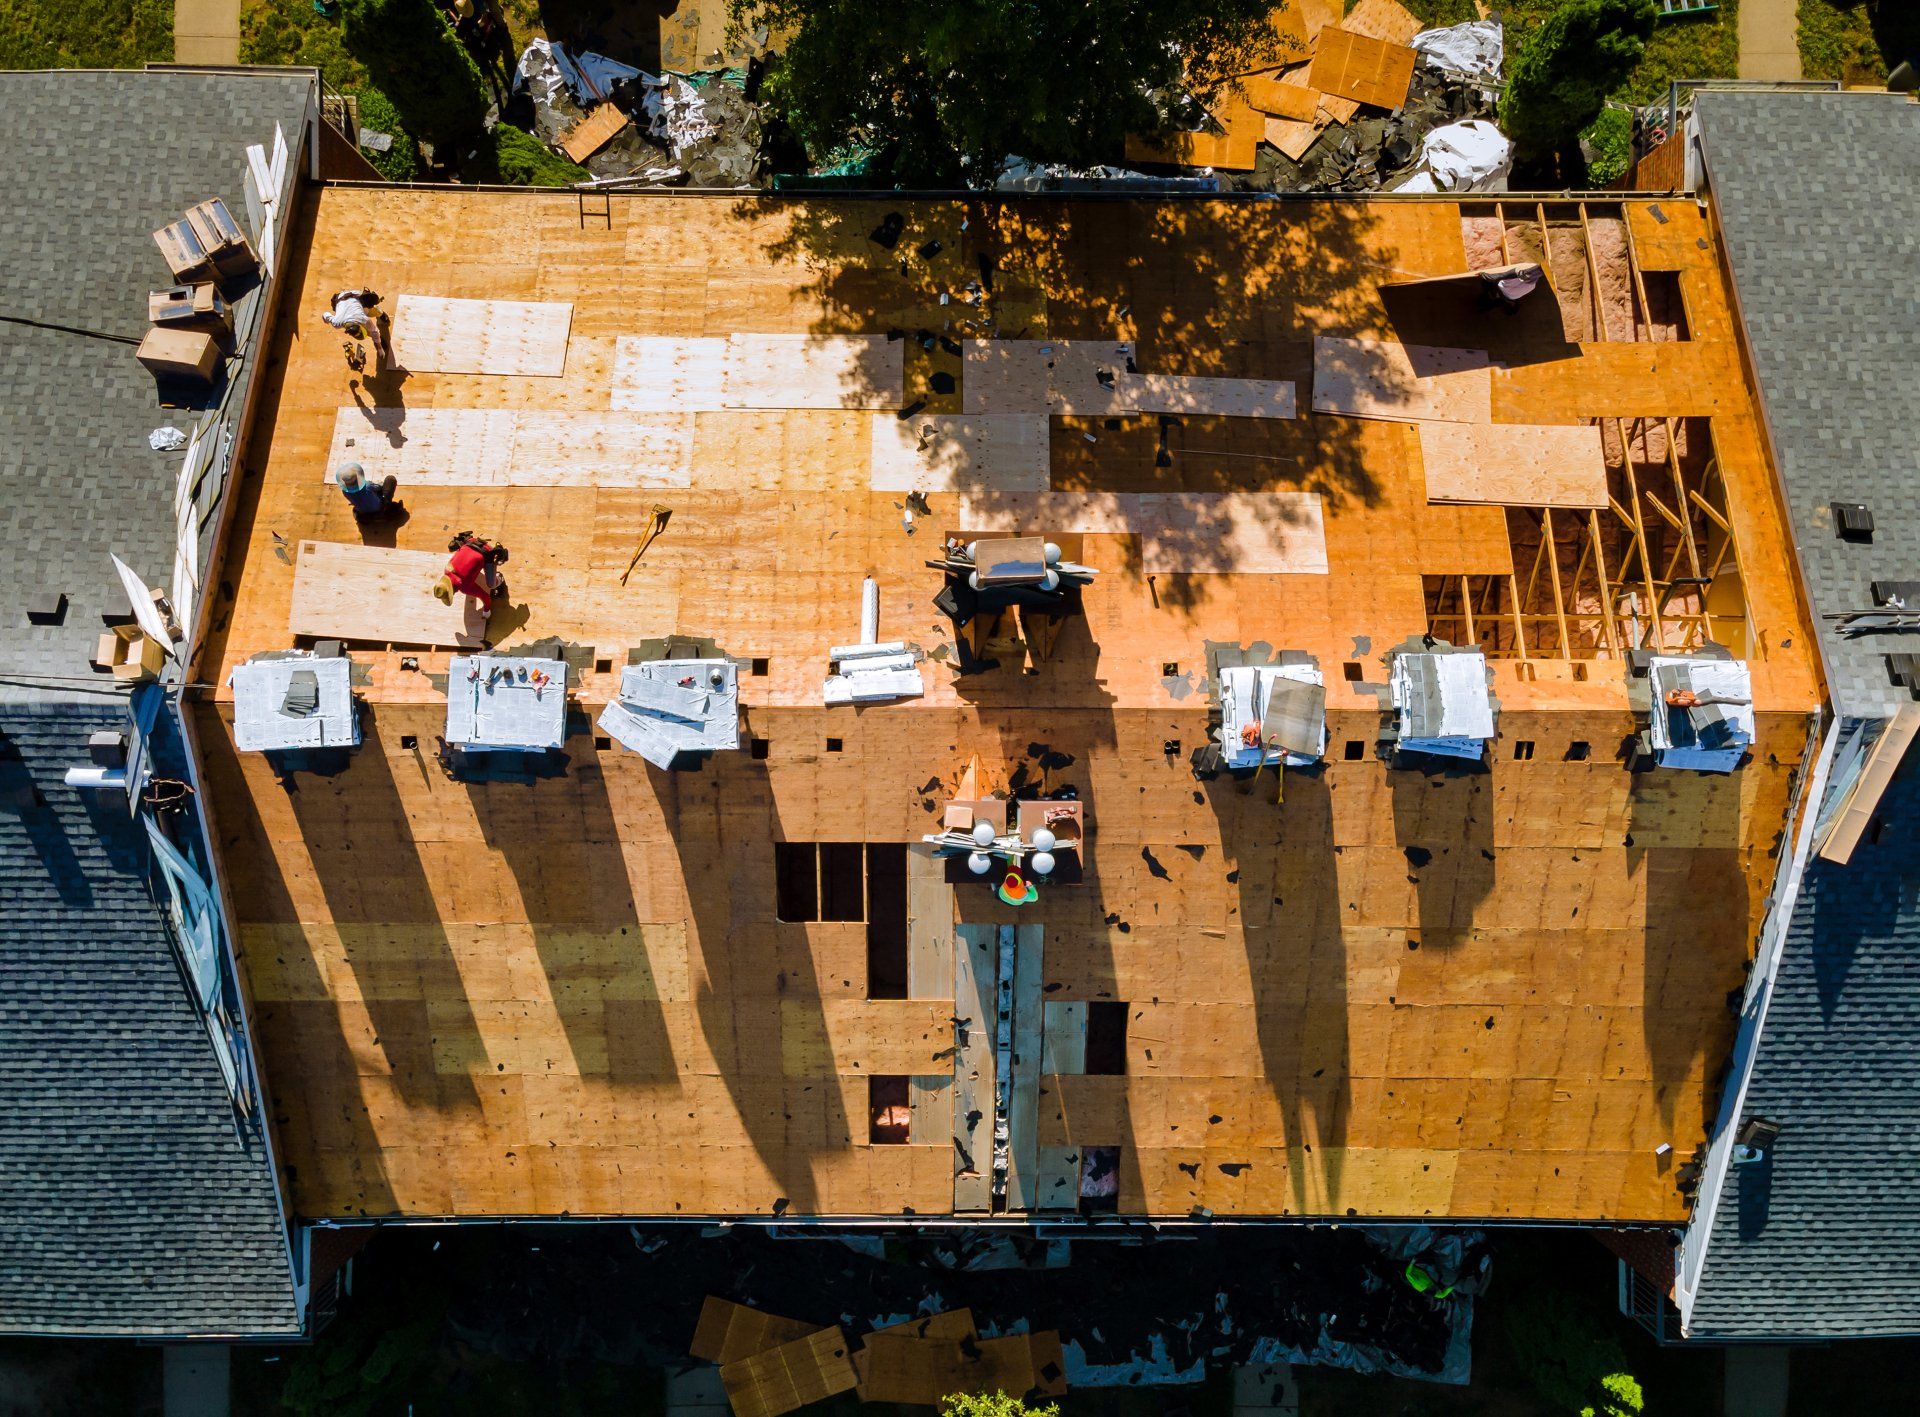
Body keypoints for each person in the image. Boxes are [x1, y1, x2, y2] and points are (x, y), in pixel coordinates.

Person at [432, 531, 509, 612]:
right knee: (468, 571)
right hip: (471, 542)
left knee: (491, 585)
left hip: (487, 552)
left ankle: (500, 578)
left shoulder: (464, 587)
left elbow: (485, 597)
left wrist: (486, 611)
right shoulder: (447, 569)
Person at [320, 288, 390, 370]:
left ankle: (381, 314)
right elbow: (325, 314)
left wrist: (379, 348)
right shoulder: (336, 322)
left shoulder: (363, 318)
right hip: (341, 299)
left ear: (359, 324)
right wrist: (325, 319)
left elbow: (374, 331)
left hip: (355, 296)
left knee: (376, 311)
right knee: (369, 332)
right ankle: (377, 339)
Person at [334, 461, 398, 521]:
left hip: (362, 511)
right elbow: (379, 487)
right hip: (379, 507)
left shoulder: (345, 491)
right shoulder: (368, 486)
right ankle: (385, 507)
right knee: (390, 479)